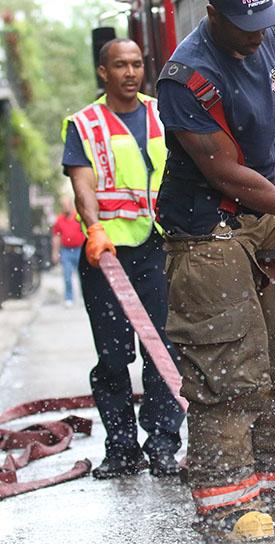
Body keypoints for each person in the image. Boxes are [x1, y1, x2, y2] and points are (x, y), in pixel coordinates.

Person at [155, 0, 275, 539]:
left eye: (265, 23)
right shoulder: (186, 78)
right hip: (206, 230)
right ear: (212, 17)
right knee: (228, 366)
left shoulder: (274, 42)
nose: (258, 36)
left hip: (265, 216)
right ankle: (226, 504)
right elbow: (223, 172)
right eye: (245, 27)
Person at [61, 38, 185, 479]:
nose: (130, 73)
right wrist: (93, 228)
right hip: (107, 258)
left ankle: (164, 446)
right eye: (120, 66)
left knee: (163, 353)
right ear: (103, 72)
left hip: (158, 250)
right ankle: (122, 449)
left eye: (136, 64)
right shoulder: (85, 123)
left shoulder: (160, 112)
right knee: (114, 359)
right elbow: (83, 183)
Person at [51, 196, 86, 306]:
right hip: (66, 250)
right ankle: (69, 297)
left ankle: (84, 296)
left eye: (66, 204)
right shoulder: (59, 220)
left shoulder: (78, 217)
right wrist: (55, 253)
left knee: (83, 274)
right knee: (67, 275)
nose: (65, 207)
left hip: (80, 249)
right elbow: (56, 237)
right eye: (63, 205)